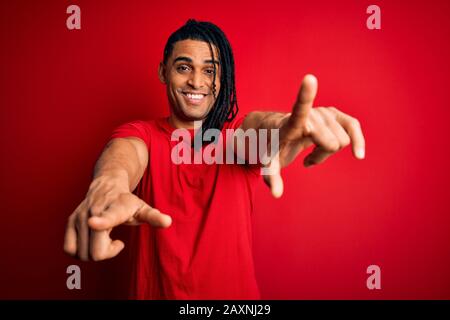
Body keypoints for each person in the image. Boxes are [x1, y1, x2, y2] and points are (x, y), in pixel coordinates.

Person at [63, 19, 365, 299]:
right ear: (163, 71)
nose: (197, 81)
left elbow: (263, 128)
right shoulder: (141, 134)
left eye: (209, 70)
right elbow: (122, 156)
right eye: (184, 67)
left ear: (223, 78)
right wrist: (108, 183)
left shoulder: (235, 138)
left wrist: (286, 127)